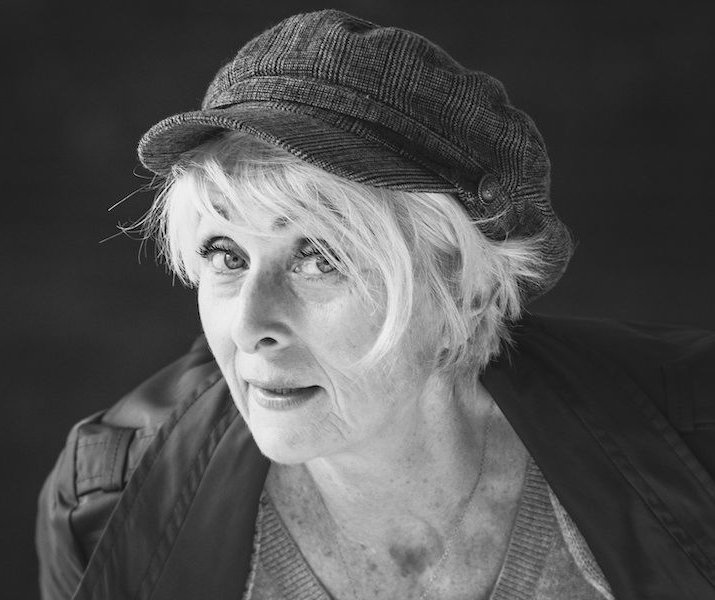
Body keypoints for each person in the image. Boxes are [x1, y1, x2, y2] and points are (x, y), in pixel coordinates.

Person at [36, 10, 715, 600]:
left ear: (465, 288)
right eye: (226, 255)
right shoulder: (106, 503)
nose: (248, 325)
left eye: (320, 258)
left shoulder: (693, 436)